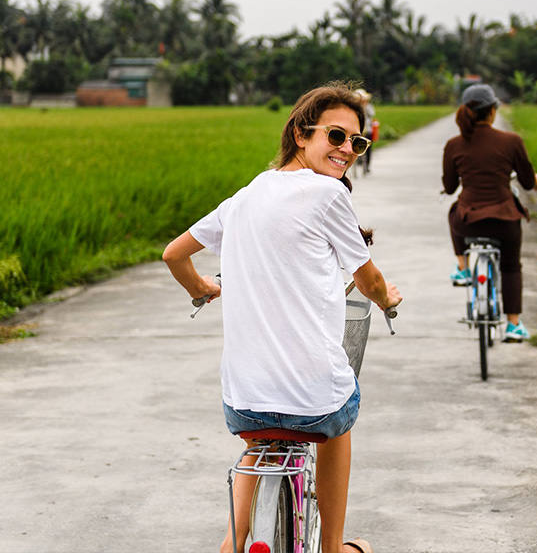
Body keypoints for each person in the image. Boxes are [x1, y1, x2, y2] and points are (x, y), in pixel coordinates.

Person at [163, 82, 401, 553]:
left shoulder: (247, 195)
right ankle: (332, 547)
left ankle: (233, 542)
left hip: (244, 400)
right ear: (300, 133)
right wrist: (387, 299)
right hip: (311, 400)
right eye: (336, 136)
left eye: (357, 141)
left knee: (260, 444)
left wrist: (202, 287)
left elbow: (174, 254)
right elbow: (369, 280)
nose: (347, 150)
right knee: (340, 413)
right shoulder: (328, 195)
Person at [442, 84, 537, 342]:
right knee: (510, 267)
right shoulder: (511, 141)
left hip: (468, 223)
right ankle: (513, 324)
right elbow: (529, 183)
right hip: (505, 223)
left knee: (454, 211)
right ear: (493, 112)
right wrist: (536, 181)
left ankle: (463, 267)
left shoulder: (454, 145)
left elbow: (450, 187)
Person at [354, 88, 376, 173]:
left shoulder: (368, 106)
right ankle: (359, 161)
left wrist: (365, 106)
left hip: (367, 129)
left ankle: (367, 165)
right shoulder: (355, 107)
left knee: (369, 148)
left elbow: (372, 114)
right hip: (358, 130)